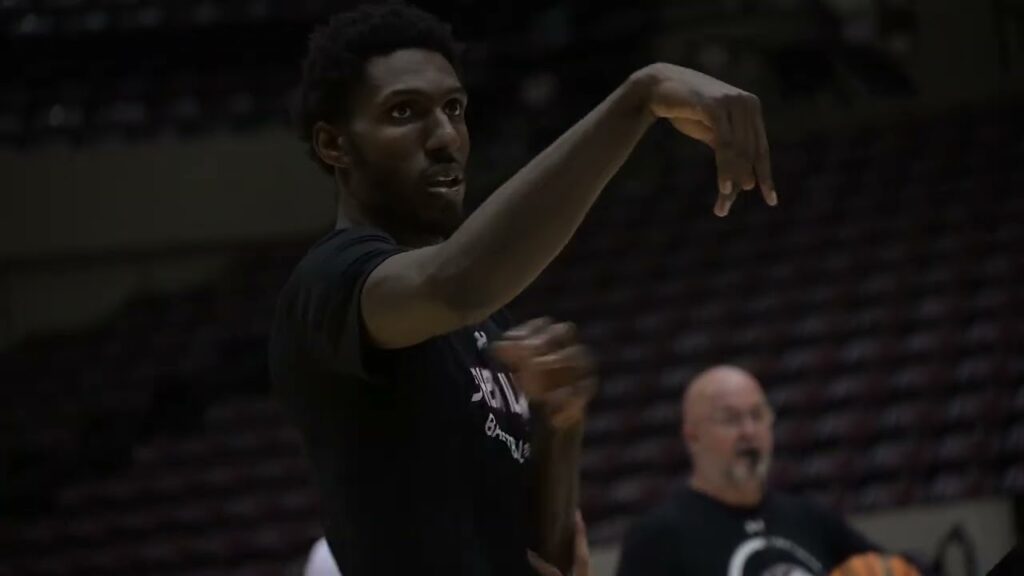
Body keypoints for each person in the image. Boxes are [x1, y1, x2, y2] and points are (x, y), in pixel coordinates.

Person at [268, 0, 776, 574]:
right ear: (335, 145)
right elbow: (456, 280)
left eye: (454, 108)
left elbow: (550, 552)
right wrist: (639, 99)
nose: (444, 137)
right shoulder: (332, 281)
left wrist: (560, 426)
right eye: (404, 111)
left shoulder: (487, 325)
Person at [616, 365, 879, 576]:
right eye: (731, 419)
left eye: (757, 415)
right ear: (692, 437)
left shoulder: (811, 519)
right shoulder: (658, 537)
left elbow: (897, 568)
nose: (749, 431)